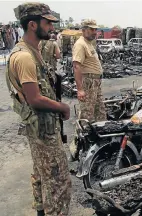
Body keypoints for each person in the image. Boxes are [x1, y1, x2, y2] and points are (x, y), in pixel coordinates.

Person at [6, 3, 72, 216]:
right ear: (32, 25)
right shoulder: (25, 56)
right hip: (43, 130)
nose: (52, 28)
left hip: (41, 128)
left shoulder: (32, 50)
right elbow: (34, 99)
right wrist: (62, 106)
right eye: (48, 23)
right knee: (57, 183)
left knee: (42, 174)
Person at [69, 19, 106, 161]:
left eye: (95, 29)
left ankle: (100, 145)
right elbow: (77, 66)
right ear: (83, 30)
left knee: (100, 113)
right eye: (91, 29)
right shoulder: (80, 44)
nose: (94, 32)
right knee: (86, 116)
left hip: (95, 82)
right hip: (88, 82)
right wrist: (80, 89)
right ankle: (79, 148)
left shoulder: (89, 43)